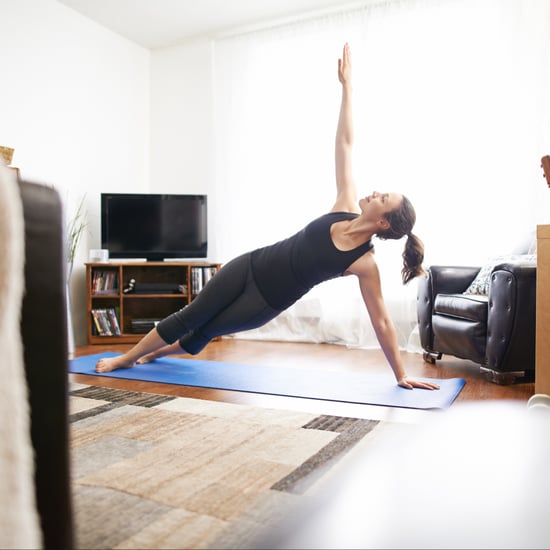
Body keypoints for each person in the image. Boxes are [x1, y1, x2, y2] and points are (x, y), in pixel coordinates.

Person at [96, 43, 439, 391]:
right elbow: (345, 143)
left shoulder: (364, 264)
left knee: (206, 330)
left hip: (265, 301)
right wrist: (347, 88)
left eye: (383, 198)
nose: (376, 192)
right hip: (251, 264)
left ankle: (155, 354)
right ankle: (126, 359)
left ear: (384, 223)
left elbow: (381, 320)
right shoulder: (344, 203)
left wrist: (400, 374)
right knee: (194, 313)